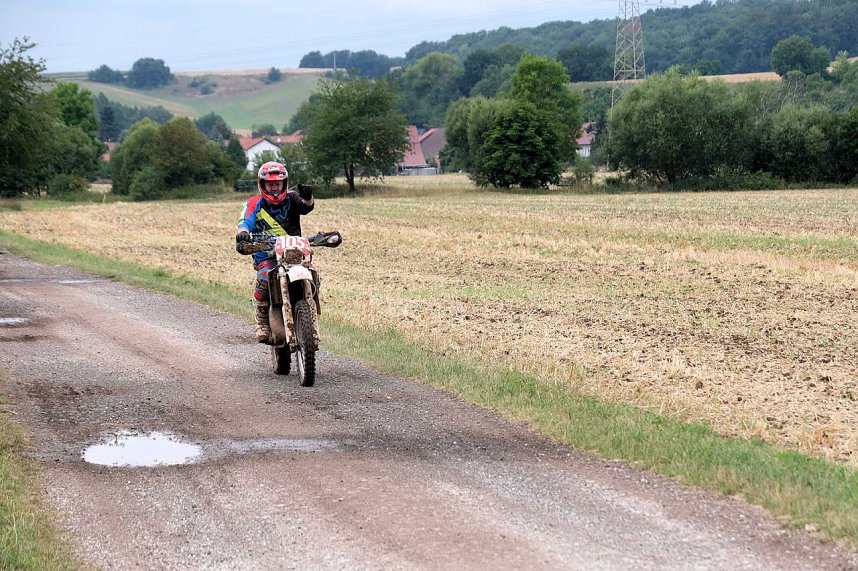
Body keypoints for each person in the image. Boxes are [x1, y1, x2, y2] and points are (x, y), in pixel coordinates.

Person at [235, 161, 314, 343]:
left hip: (294, 252)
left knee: (312, 272)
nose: (275, 188)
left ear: (284, 183)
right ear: (262, 184)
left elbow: (306, 207)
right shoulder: (255, 203)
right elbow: (245, 222)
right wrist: (243, 234)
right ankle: (262, 322)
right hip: (266, 254)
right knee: (264, 276)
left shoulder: (292, 198)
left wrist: (308, 197)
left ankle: (309, 308)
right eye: (270, 185)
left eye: (278, 184)